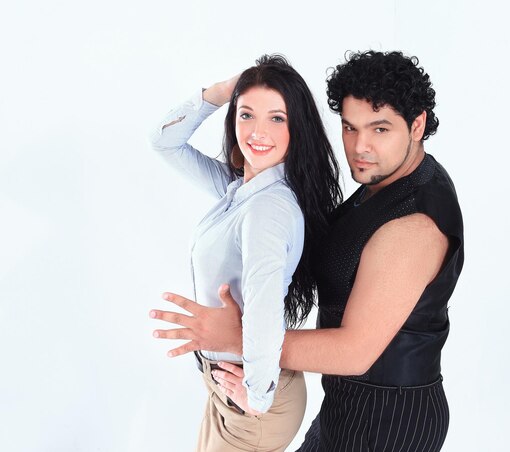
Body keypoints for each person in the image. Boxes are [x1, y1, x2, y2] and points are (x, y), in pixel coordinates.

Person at [151, 50, 464, 452]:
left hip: (388, 423)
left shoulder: (414, 226)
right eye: (350, 128)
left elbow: (355, 352)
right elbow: (164, 142)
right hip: (347, 407)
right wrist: (230, 89)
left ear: (417, 124)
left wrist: (241, 338)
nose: (360, 146)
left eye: (380, 129)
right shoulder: (384, 183)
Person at [149, 54, 342, 452]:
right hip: (228, 387)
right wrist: (222, 91)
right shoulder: (241, 190)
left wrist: (257, 394)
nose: (257, 131)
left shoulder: (267, 208)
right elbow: (164, 141)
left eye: (276, 118)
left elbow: (264, 305)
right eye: (246, 114)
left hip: (251, 404)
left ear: (297, 127)